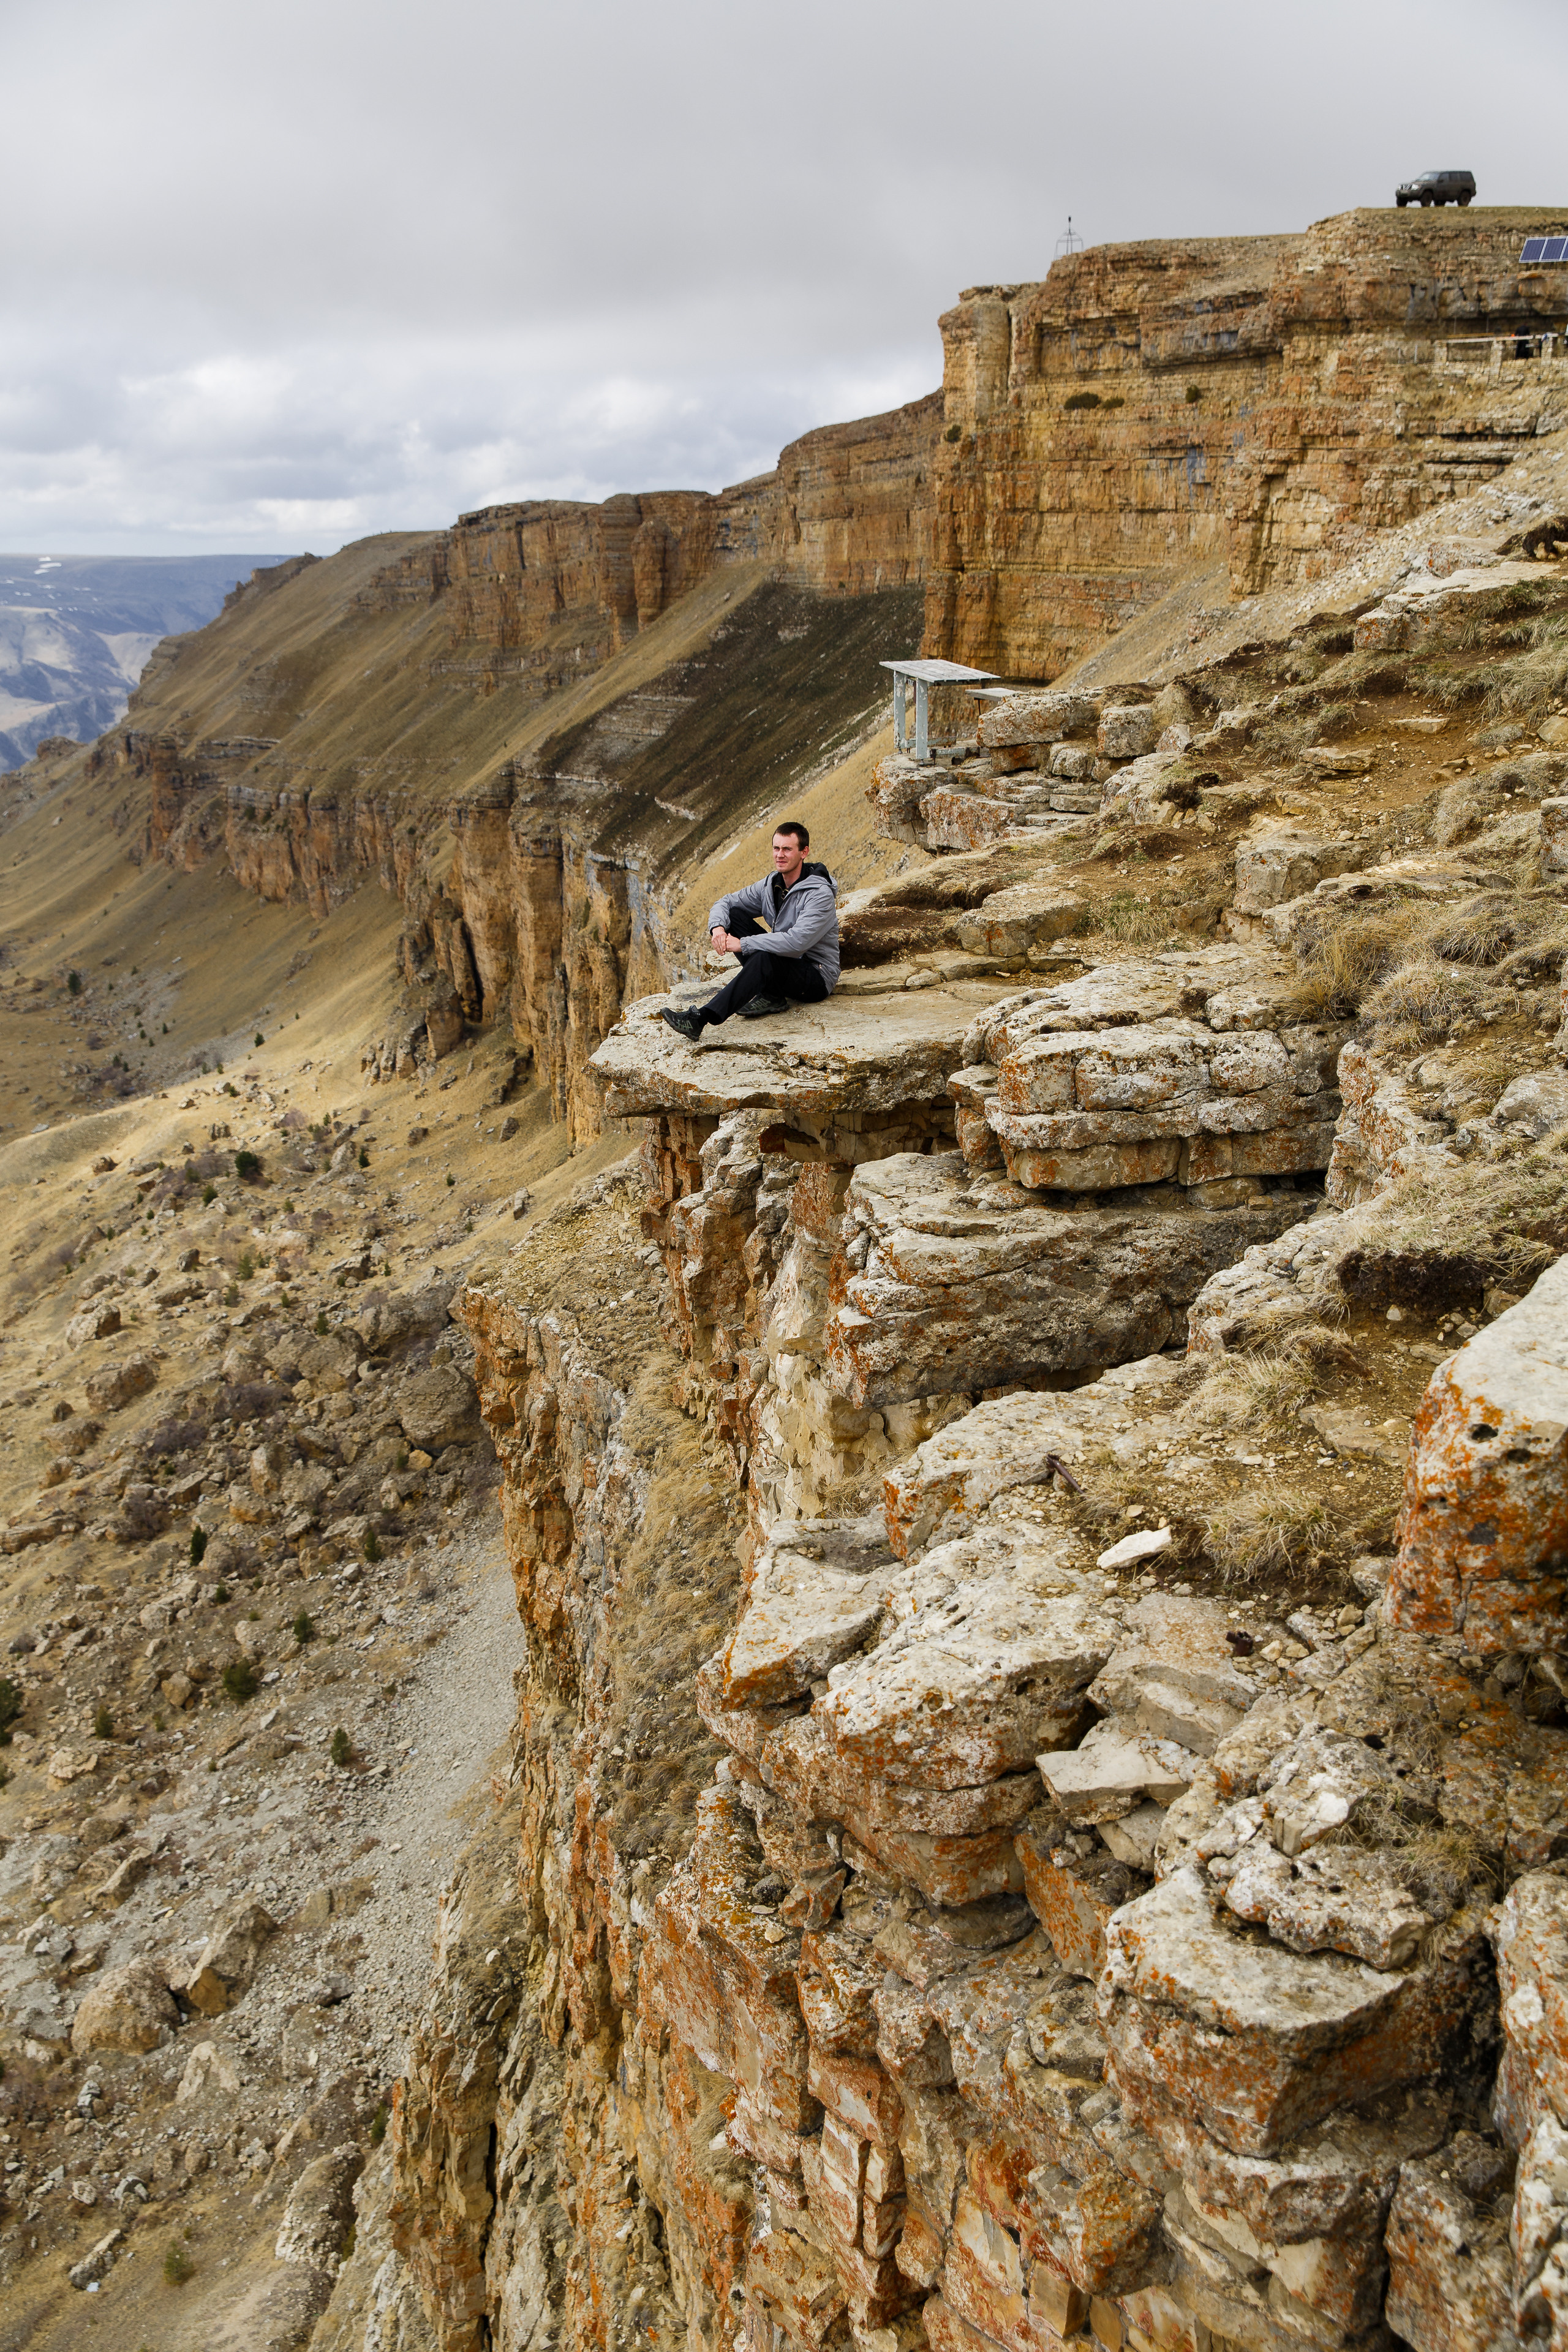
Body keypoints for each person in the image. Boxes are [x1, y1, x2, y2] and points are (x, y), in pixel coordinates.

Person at [661, 821, 839, 1039]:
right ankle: (773, 995)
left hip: (816, 977)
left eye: (787, 849)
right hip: (784, 967)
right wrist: (717, 928)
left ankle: (701, 1019)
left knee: (765, 958)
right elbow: (726, 903)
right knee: (734, 915)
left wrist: (743, 944)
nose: (779, 855)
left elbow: (796, 943)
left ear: (804, 852)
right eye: (776, 848)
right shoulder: (771, 884)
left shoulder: (819, 894)